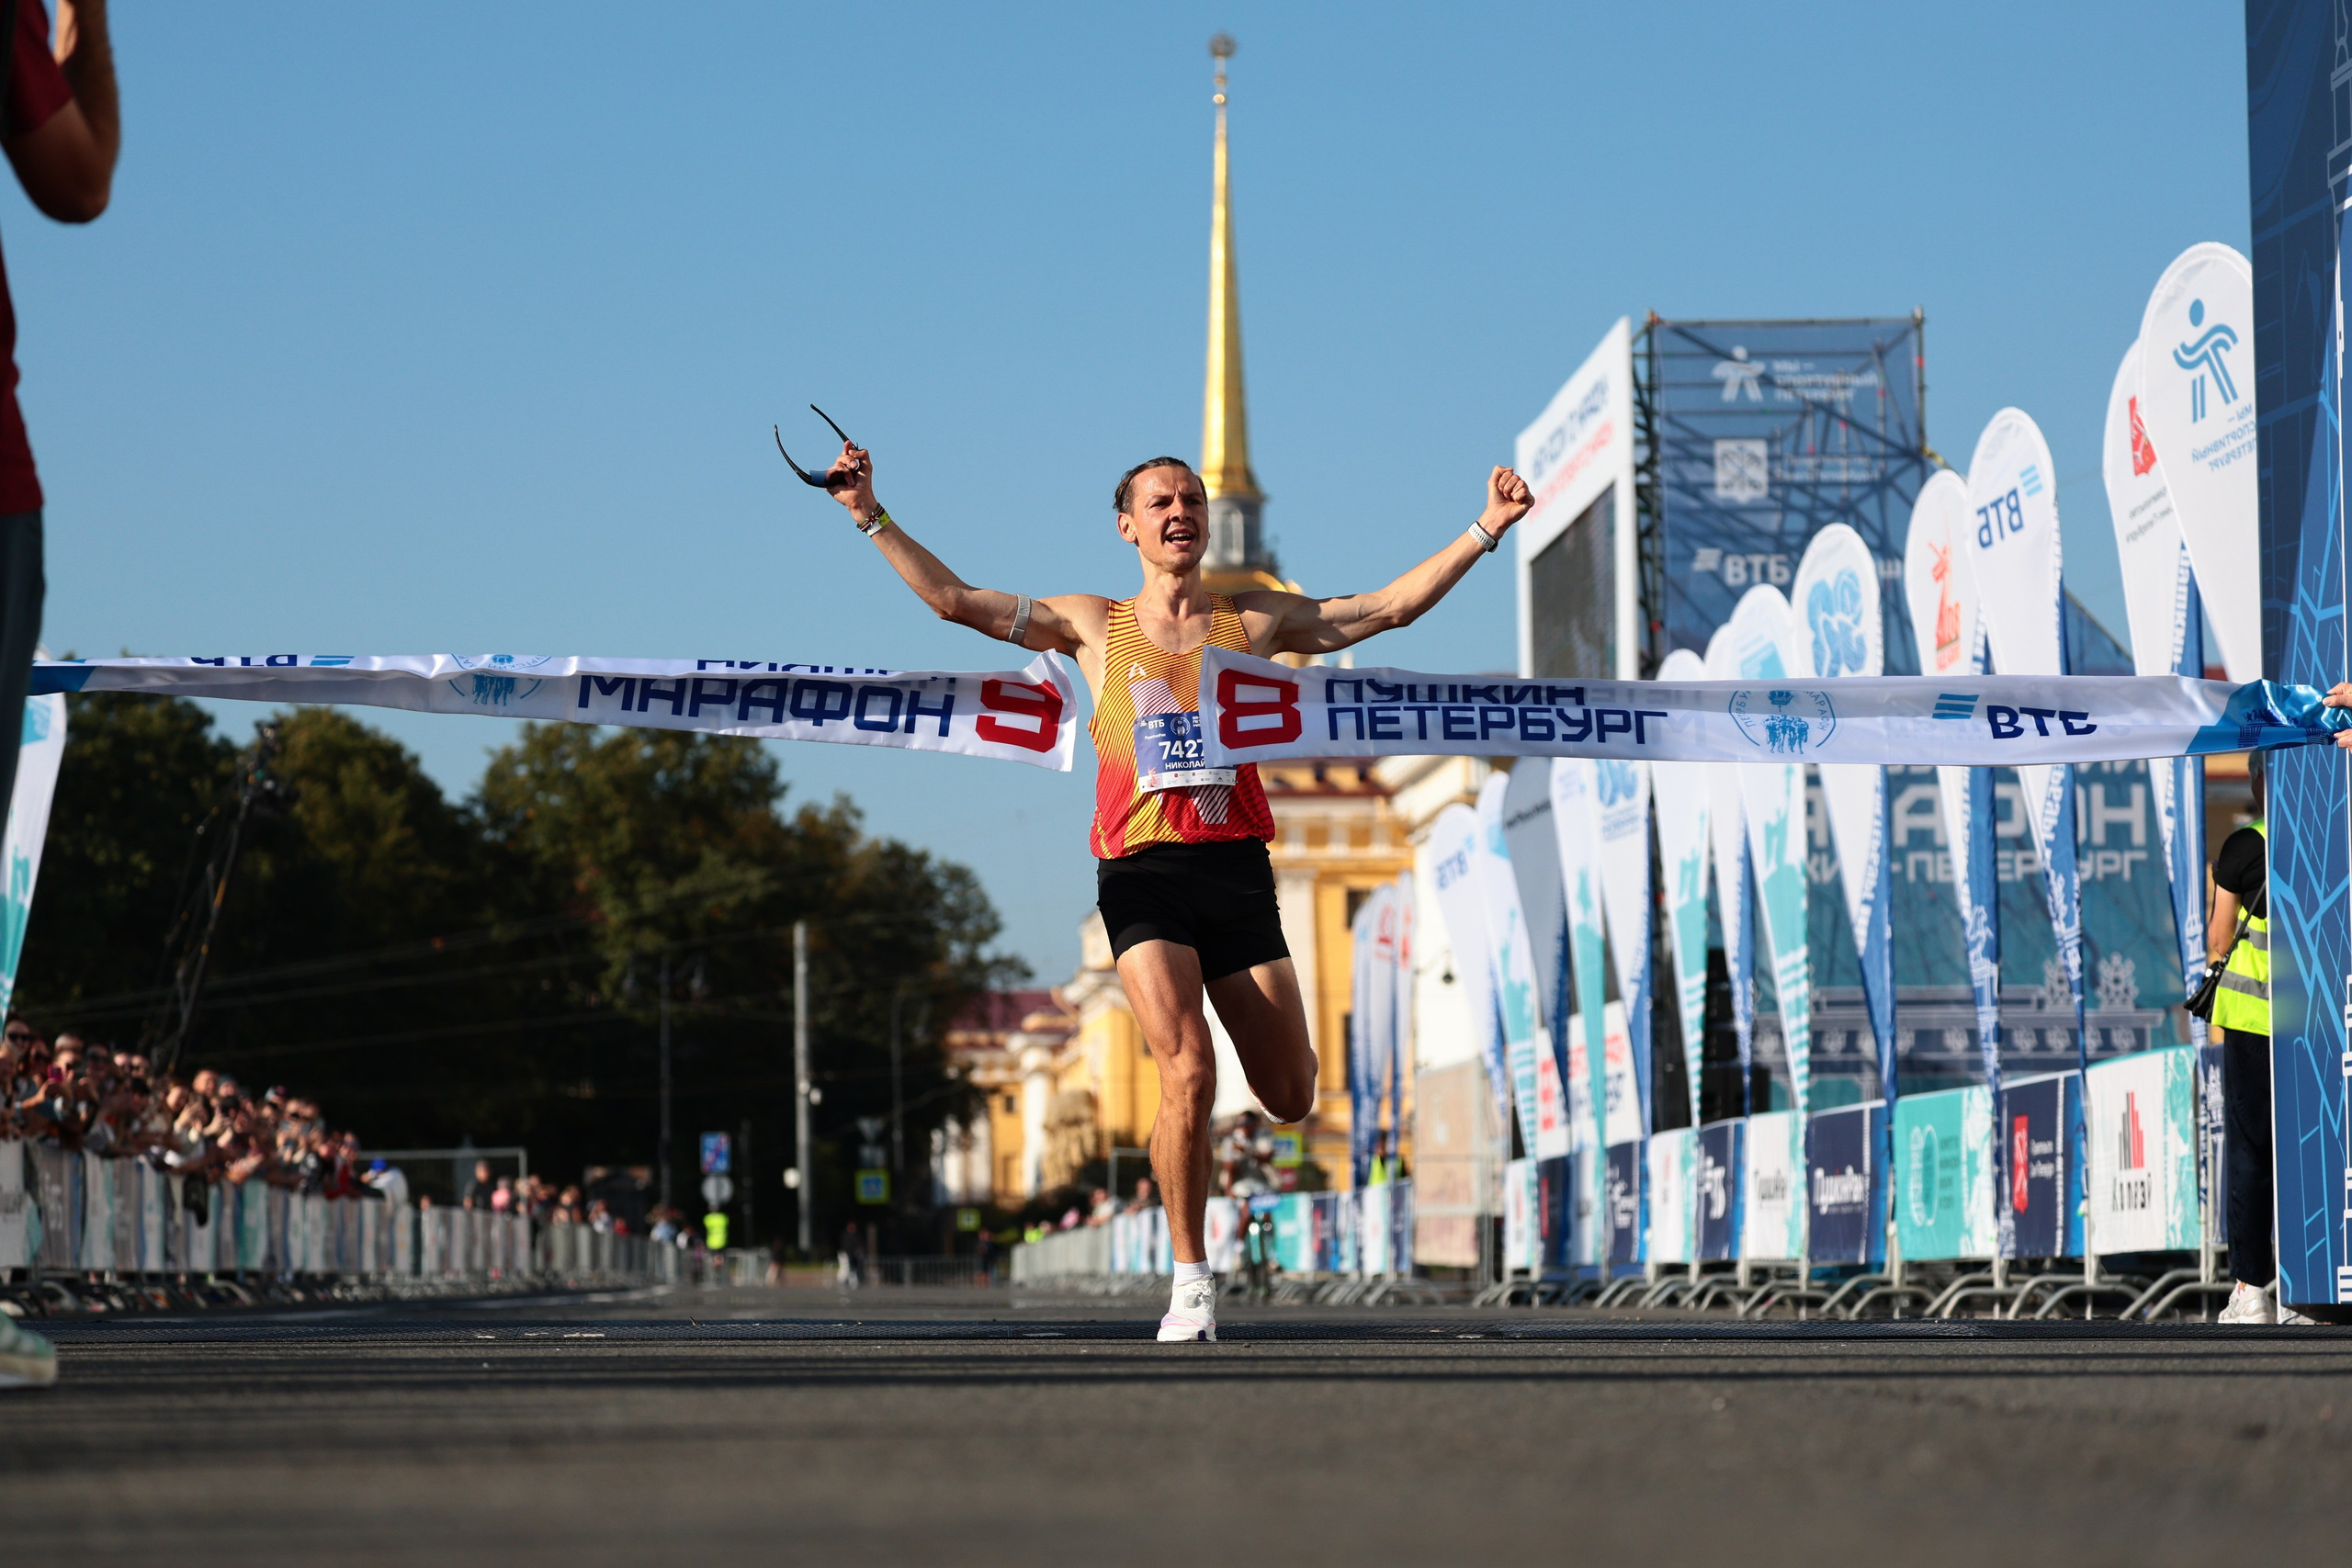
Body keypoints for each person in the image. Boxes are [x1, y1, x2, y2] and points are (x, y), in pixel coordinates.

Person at [821, 440, 1532, 1341]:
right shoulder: (1091, 622)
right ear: (1128, 527)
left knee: (1289, 1093)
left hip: (1236, 871)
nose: (1179, 513)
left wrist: (1485, 530)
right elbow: (957, 602)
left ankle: (1209, 1231)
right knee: (1186, 1068)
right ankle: (1190, 1278)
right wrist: (869, 513)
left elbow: (1384, 609)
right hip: (1141, 875)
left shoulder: (1256, 623)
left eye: (1190, 500)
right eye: (1160, 502)